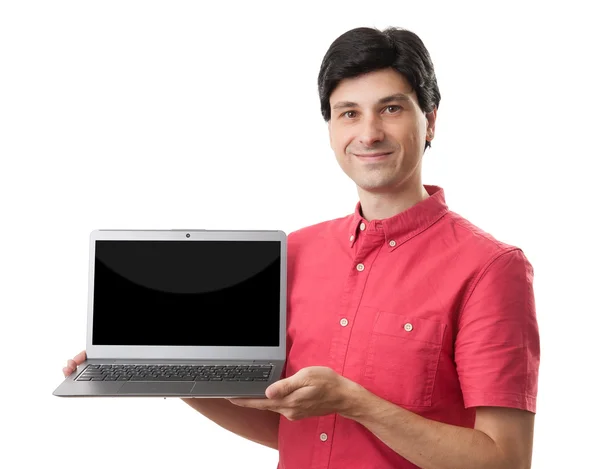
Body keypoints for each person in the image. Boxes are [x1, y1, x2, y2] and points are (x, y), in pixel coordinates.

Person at [63, 26, 540, 469]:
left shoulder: (491, 267)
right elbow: (291, 428)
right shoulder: (296, 252)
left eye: (391, 109)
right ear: (331, 128)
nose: (368, 132)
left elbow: (506, 459)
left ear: (430, 120)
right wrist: (165, 373)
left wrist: (355, 403)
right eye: (348, 113)